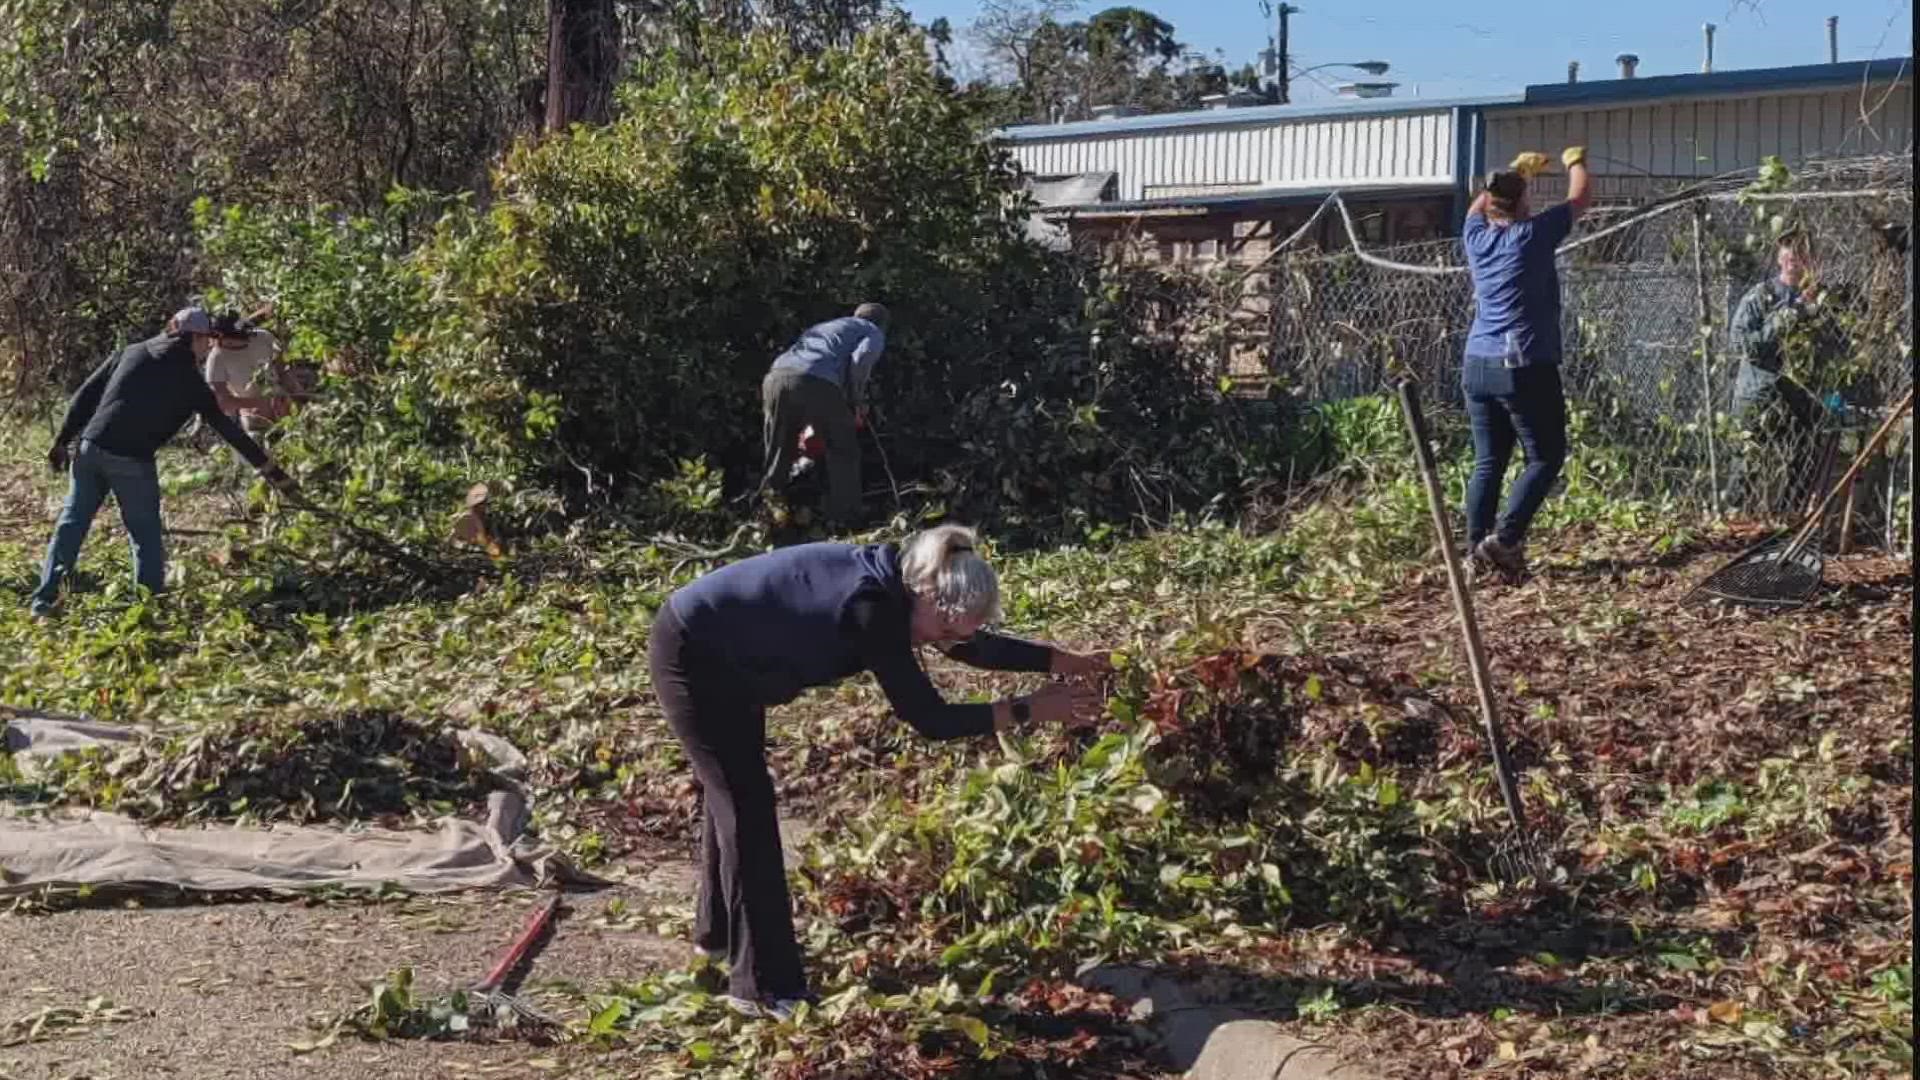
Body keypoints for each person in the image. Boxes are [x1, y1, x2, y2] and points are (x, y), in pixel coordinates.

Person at [648, 524, 1110, 1018]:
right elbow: (930, 719)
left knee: (736, 793)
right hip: (696, 653)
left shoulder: (908, 586)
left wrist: (1072, 661)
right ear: (930, 599)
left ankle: (717, 936)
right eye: (949, 629)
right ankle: (761, 987)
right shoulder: (873, 610)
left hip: (735, 655)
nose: (952, 642)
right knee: (747, 804)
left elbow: (974, 646)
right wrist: (1029, 710)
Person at [30, 306, 298, 617]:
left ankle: (43, 602)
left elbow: (85, 395)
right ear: (194, 338)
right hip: (131, 460)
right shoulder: (191, 382)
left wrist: (61, 441)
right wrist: (275, 474)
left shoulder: (131, 352)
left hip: (89, 450)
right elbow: (230, 432)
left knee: (71, 524)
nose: (209, 346)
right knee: (144, 534)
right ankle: (146, 607)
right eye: (206, 339)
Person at [1457, 146, 1591, 580]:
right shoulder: (1530, 236)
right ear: (1523, 203)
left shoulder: (1475, 235)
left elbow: (1480, 204)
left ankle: (1474, 550)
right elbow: (1580, 199)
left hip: (1477, 362)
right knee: (1546, 455)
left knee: (1488, 460)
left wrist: (1514, 171)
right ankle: (1506, 539)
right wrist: (1575, 162)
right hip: (1522, 364)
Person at [1724, 233, 1847, 514]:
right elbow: (1743, 344)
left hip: (1801, 395)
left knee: (1807, 449)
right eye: (1789, 252)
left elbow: (1839, 346)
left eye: (1802, 253)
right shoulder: (1761, 296)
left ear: (1812, 261)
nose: (1795, 258)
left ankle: (1790, 515)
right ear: (1780, 257)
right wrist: (1791, 314)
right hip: (1759, 391)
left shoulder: (1823, 301)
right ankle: (1734, 517)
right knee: (1747, 457)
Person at [760, 303, 888, 526]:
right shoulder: (872, 331)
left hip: (776, 377)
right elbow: (861, 359)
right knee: (843, 449)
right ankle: (846, 517)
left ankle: (768, 511)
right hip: (816, 381)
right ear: (882, 324)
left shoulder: (827, 327)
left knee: (780, 447)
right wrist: (855, 400)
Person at [205, 311, 294, 433]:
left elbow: (282, 368)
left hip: (284, 405)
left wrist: (290, 394)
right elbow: (223, 401)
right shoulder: (216, 359)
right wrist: (259, 404)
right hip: (254, 416)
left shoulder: (263, 337)